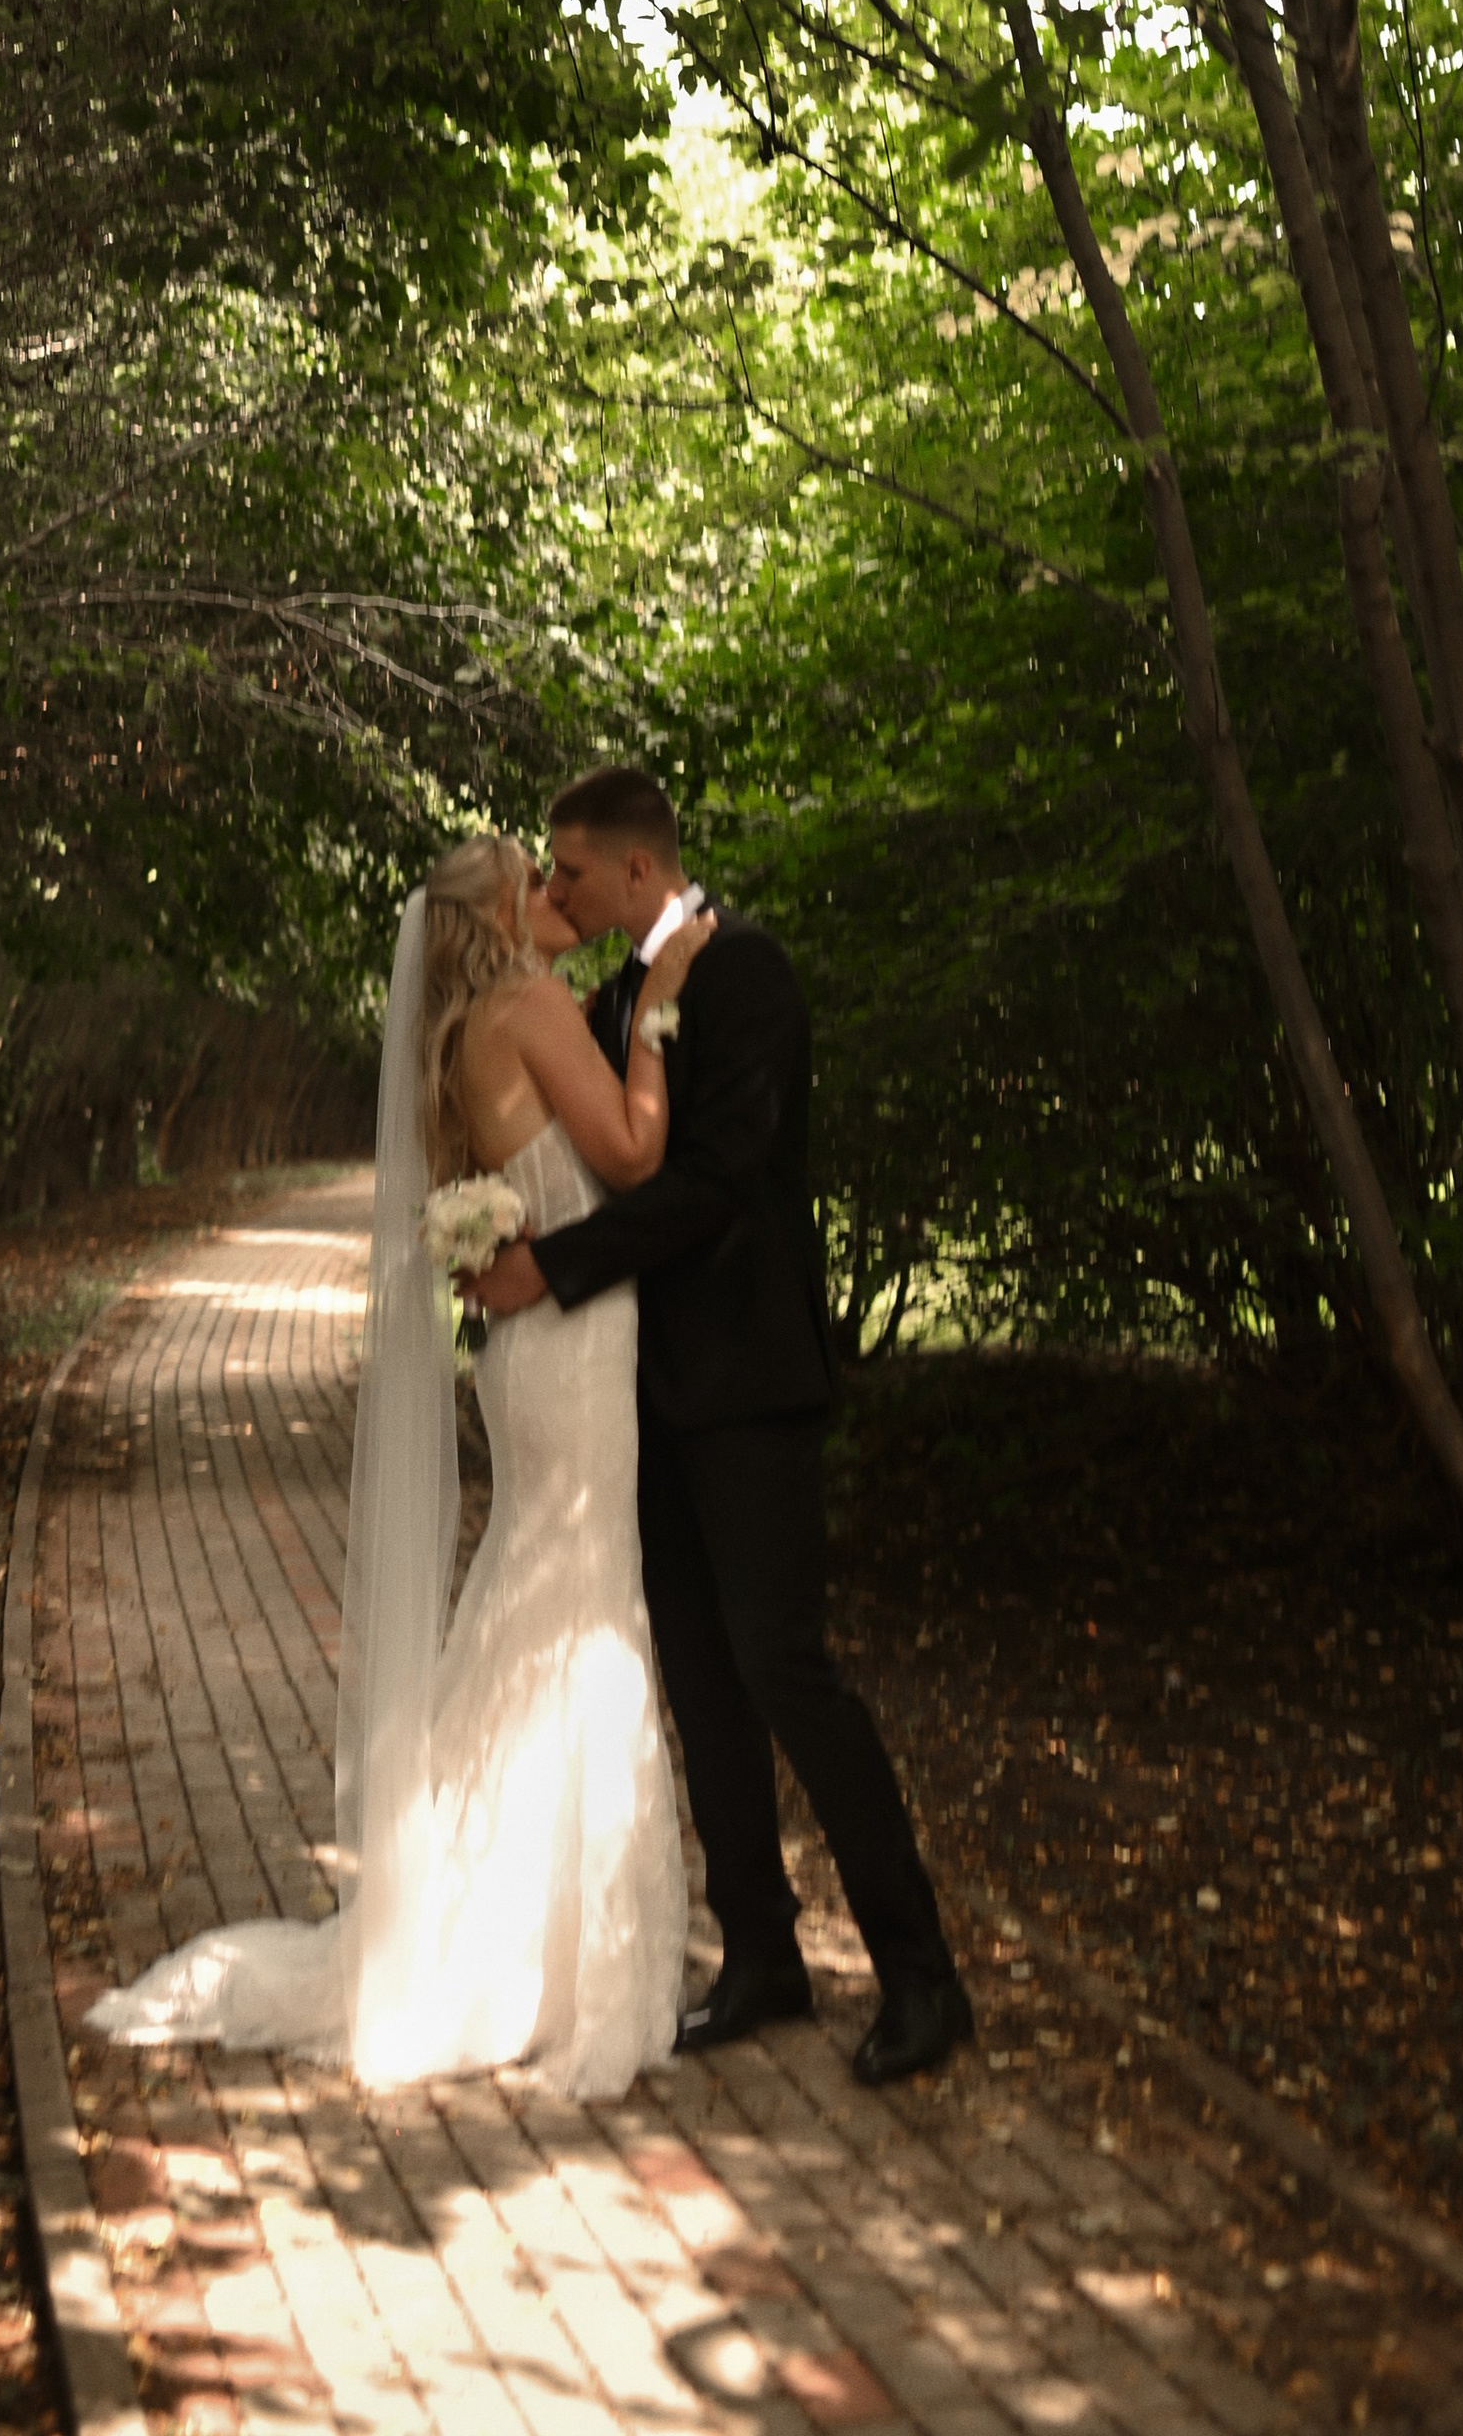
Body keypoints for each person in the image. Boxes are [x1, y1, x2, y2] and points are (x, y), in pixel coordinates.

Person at [85, 834, 709, 2090]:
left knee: (533, 1605)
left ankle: (493, 1931)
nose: (554, 893)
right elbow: (633, 1154)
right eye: (533, 879)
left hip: (531, 1351)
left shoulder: (459, 1038)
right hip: (578, 1346)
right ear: (493, 918)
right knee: (582, 1615)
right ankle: (548, 1961)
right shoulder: (532, 1005)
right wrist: (668, 993)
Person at [467, 764, 973, 2088]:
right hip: (643, 1394)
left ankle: (924, 1977)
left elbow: (713, 1183)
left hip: (748, 1385)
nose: (552, 888)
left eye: (567, 869)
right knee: (700, 1682)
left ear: (638, 869)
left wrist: (554, 1269)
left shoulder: (745, 972)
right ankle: (761, 1955)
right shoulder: (621, 997)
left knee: (785, 1669)